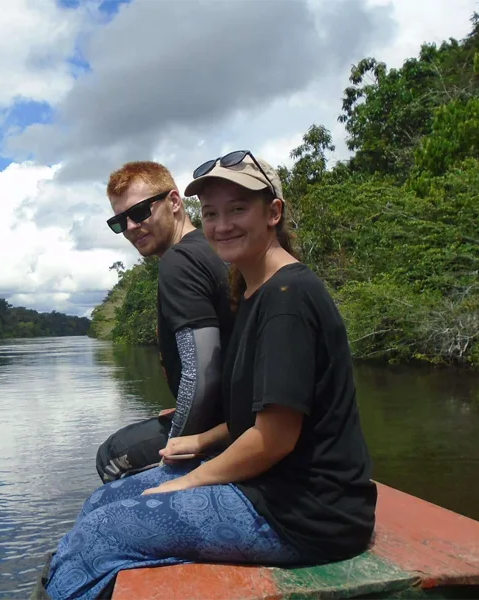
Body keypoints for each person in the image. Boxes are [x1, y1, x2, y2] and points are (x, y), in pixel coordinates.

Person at [41, 151, 377, 600]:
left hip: (305, 515)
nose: (221, 225)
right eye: (213, 213)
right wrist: (199, 441)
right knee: (102, 502)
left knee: (103, 531)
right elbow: (254, 419)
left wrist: (187, 481)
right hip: (269, 488)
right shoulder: (252, 291)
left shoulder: (287, 300)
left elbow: (274, 440)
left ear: (273, 213)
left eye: (238, 209)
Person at [94, 161, 234, 483]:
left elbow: (201, 373)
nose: (130, 226)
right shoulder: (210, 249)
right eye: (119, 222)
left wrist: (180, 443)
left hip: (222, 428)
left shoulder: (179, 262)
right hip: (229, 415)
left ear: (174, 202)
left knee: (111, 456)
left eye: (141, 211)